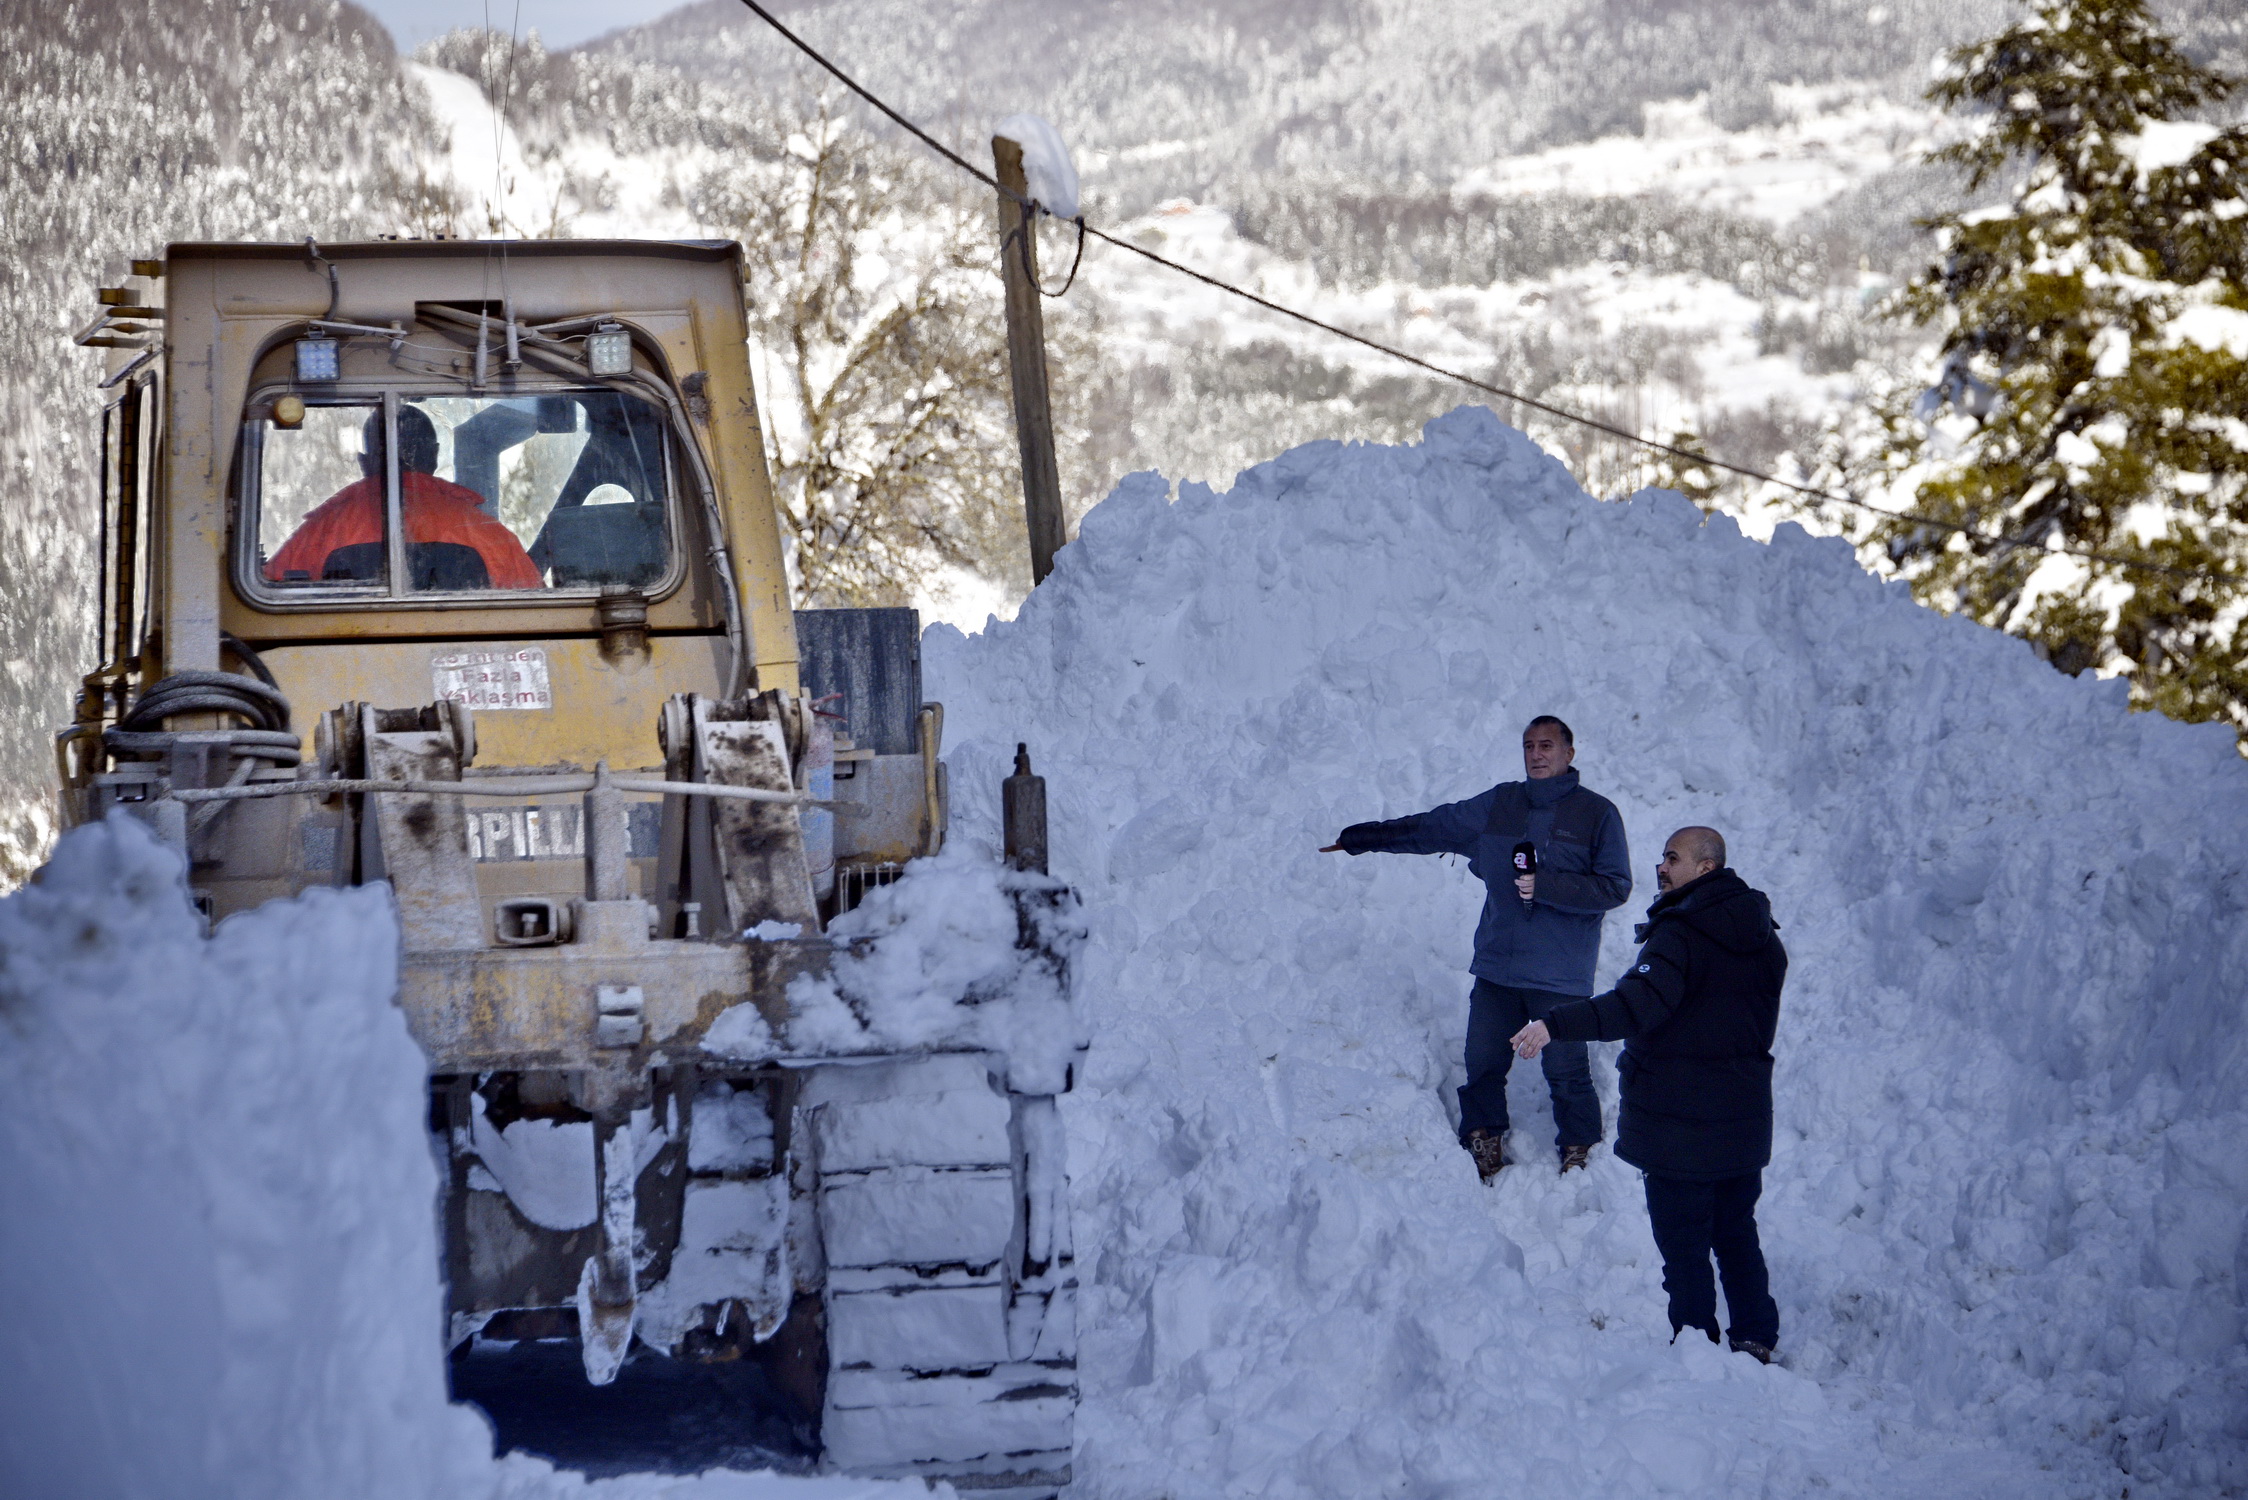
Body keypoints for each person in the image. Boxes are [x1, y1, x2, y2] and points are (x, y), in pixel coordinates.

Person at [1511, 826, 1787, 1363]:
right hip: (1743, 1113)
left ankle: (1696, 1348)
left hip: (1680, 1118)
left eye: (1672, 858)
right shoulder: (1763, 937)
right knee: (1735, 1233)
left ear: (1705, 869)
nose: (1661, 867)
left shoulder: (1680, 935)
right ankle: (1754, 1337)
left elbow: (1633, 1004)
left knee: (1683, 1244)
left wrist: (1555, 1023)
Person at [1326, 716, 1631, 1180]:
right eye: (1528, 746)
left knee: (1567, 1070)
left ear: (1570, 753)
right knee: (1483, 1062)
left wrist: (1543, 885)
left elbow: (1614, 887)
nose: (1536, 754)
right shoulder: (1501, 804)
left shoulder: (1597, 814)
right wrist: (1363, 838)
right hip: (1498, 967)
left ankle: (1579, 1145)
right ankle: (1483, 1136)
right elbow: (1433, 828)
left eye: (1547, 745)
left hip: (1559, 973)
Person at [267, 407, 543, 590]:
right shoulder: (489, 534)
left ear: (364, 462)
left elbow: (274, 599)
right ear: (434, 456)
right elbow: (532, 609)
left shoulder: (318, 533)